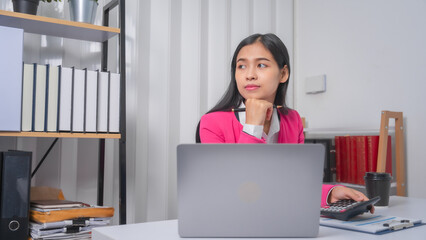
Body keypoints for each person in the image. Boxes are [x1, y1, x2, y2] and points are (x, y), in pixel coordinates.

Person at [196, 33, 373, 211]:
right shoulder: (212, 123)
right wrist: (252, 127)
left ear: (283, 73)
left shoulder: (292, 120)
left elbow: (294, 185)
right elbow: (233, 190)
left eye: (261, 65)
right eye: (241, 66)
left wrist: (330, 193)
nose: (249, 75)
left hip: (280, 217)